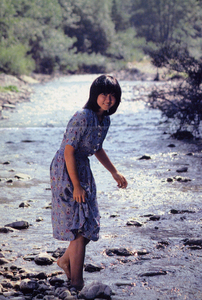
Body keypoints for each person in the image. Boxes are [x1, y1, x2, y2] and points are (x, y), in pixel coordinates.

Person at [50, 75, 128, 291]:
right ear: (95, 95)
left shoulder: (105, 120)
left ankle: (66, 260)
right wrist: (75, 185)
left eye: (113, 95)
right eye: (103, 94)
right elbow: (68, 152)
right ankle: (77, 282)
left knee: (88, 222)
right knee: (78, 226)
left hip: (83, 167)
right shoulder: (82, 116)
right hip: (67, 169)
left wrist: (114, 172)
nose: (108, 99)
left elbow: (97, 148)